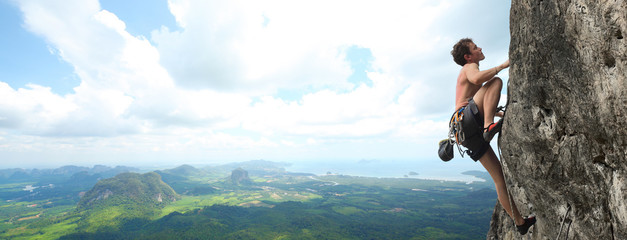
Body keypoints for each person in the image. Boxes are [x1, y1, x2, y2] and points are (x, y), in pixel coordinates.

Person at [450, 38, 536, 235]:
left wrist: (497, 113)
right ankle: (489, 126)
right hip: (468, 122)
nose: (480, 48)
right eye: (475, 47)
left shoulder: (468, 69)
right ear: (468, 56)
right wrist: (503, 65)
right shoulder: (470, 67)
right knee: (495, 81)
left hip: (464, 132)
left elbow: (474, 98)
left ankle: (520, 222)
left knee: (499, 179)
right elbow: (478, 80)